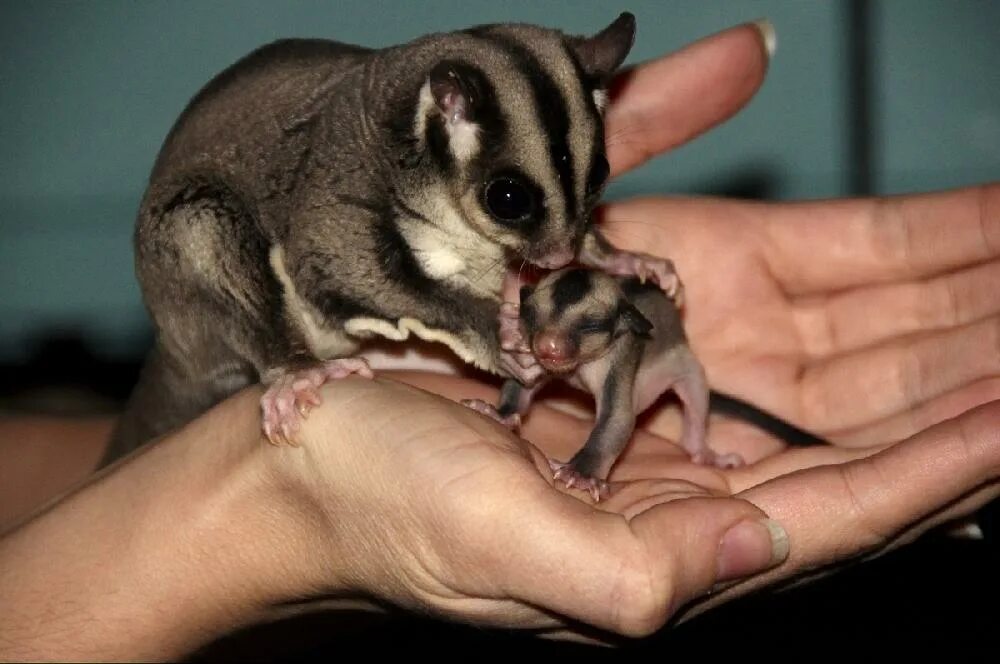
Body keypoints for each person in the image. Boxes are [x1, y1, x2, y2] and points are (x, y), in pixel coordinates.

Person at [2, 20, 999, 660]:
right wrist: (494, 344)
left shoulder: (484, 164)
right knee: (216, 234)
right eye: (513, 200)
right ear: (444, 118)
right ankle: (279, 370)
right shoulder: (358, 175)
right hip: (221, 250)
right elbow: (346, 273)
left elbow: (540, 249)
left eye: (585, 188)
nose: (558, 238)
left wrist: (591, 253)